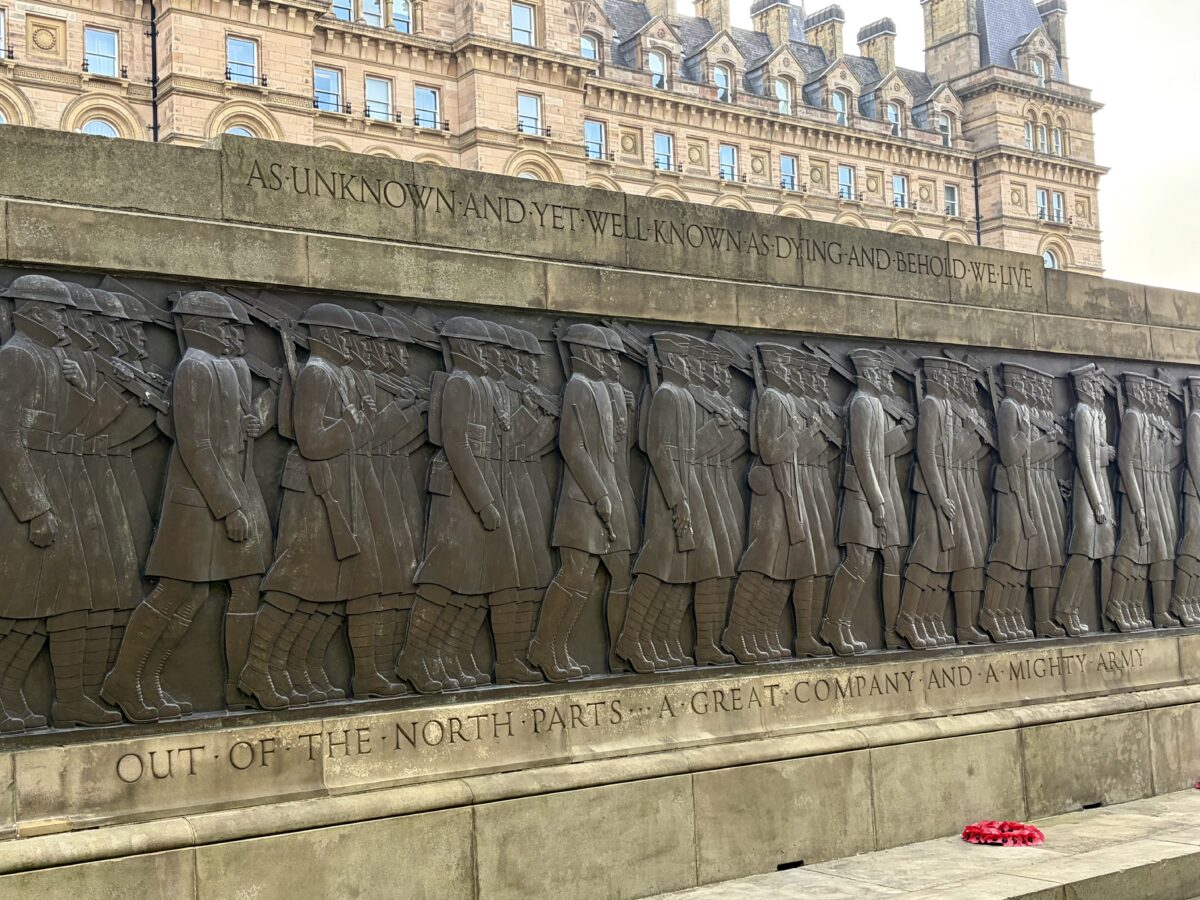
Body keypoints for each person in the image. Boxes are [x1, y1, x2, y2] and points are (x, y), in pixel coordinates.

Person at [103, 291, 272, 722]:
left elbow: (232, 428)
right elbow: (195, 445)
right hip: (200, 501)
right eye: (226, 327)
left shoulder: (231, 368)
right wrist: (229, 506)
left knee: (245, 585)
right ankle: (126, 678)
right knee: (180, 590)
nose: (236, 335)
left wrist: (256, 420)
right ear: (199, 327)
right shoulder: (193, 368)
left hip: (236, 492)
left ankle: (239, 685)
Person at [237, 303, 377, 708]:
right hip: (314, 488)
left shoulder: (336, 375)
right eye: (346, 336)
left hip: (337, 484)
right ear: (328, 336)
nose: (353, 343)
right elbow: (312, 442)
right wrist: (351, 424)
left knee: (328, 588)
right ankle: (257, 668)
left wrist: (357, 423)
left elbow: (355, 435)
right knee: (293, 583)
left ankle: (292, 669)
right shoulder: (316, 375)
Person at [398, 317, 520, 692]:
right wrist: (484, 501)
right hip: (460, 491)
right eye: (484, 348)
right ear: (465, 347)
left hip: (484, 485)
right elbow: (457, 444)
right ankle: (412, 657)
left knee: (479, 580)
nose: (490, 355)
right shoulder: (459, 384)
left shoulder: (485, 386)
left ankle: (442, 657)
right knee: (443, 578)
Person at [529, 323, 633, 681]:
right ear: (588, 354)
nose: (612, 362)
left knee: (585, 579)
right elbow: (572, 448)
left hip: (604, 498)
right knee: (574, 574)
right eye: (607, 355)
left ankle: (557, 648)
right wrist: (599, 494)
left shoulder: (603, 391)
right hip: (581, 500)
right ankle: (544, 645)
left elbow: (612, 453)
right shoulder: (578, 387)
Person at [617, 333, 717, 673]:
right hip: (667, 489)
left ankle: (661, 639)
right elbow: (657, 449)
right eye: (684, 358)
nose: (690, 365)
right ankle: (631, 639)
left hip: (689, 482)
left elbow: (691, 448)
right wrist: (677, 499)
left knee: (690, 568)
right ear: (672, 360)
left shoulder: (683, 396)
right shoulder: (665, 395)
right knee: (657, 566)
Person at [826, 349, 914, 653]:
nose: (885, 379)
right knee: (857, 561)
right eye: (881, 372)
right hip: (862, 492)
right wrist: (877, 501)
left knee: (879, 560)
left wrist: (904, 430)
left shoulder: (875, 403)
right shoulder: (861, 403)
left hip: (878, 491)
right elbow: (862, 454)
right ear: (868, 372)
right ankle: (834, 625)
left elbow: (880, 449)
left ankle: (883, 631)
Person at [1054, 363, 1116, 635]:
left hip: (1101, 485)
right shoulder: (1082, 413)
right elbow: (1085, 458)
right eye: (1093, 384)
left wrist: (1106, 452)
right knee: (1082, 551)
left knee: (1096, 552)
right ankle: (1064, 610)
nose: (1098, 389)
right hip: (1087, 490)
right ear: (1083, 387)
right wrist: (1098, 502)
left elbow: (1097, 450)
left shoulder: (1097, 414)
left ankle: (1080, 609)